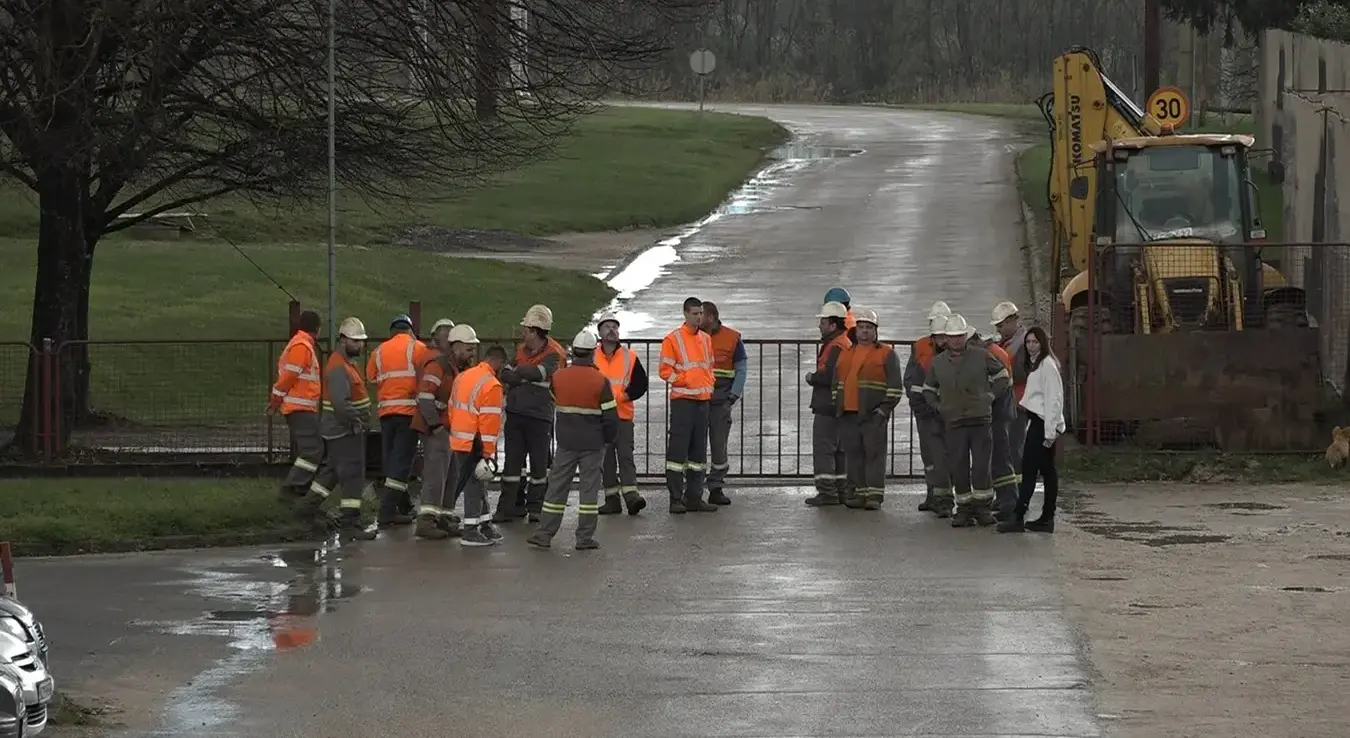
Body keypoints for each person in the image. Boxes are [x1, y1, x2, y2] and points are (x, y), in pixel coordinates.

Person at [527, 330, 619, 550]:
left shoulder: (558, 377)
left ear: (573, 352)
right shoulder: (601, 381)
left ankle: (545, 533)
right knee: (588, 492)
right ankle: (584, 537)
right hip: (593, 444)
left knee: (556, 489)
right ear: (592, 353)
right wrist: (607, 439)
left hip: (566, 442)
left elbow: (554, 397)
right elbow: (611, 418)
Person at [922, 314, 1010, 527]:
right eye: (952, 337)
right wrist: (938, 407)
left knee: (981, 467)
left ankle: (983, 509)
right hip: (954, 422)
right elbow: (928, 389)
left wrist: (990, 396)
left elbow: (1003, 376)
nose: (956, 341)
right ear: (946, 338)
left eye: (959, 336)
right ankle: (963, 509)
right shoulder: (937, 364)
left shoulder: (981, 356)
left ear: (965, 336)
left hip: (980, 420)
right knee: (958, 467)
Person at [496, 304, 568, 524]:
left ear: (535, 331)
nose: (522, 333)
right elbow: (505, 374)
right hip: (517, 414)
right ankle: (510, 507)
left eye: (526, 330)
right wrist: (524, 375)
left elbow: (539, 373)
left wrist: (520, 373)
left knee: (539, 466)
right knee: (512, 465)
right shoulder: (521, 351)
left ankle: (536, 507)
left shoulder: (554, 353)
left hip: (539, 416)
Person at [307, 317, 377, 540]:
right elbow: (340, 403)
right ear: (343, 340)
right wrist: (357, 421)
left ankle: (306, 508)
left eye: (361, 341)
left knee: (333, 472)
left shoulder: (345, 364)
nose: (360, 345)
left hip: (341, 429)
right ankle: (350, 524)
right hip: (345, 430)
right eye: (355, 341)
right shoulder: (339, 367)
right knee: (352, 476)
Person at [833, 309, 904, 510]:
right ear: (856, 331)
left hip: (873, 414)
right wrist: (837, 407)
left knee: (874, 455)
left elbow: (895, 387)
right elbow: (836, 383)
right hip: (848, 413)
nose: (864, 332)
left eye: (868, 328)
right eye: (861, 328)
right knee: (854, 455)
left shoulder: (887, 354)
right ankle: (858, 494)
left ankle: (874, 496)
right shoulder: (846, 353)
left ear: (875, 331)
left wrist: (883, 411)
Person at [366, 313, 432, 527]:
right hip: (409, 412)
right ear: (410, 330)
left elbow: (371, 377)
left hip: (386, 413)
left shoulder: (378, 352)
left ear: (392, 332)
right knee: (402, 463)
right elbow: (427, 377)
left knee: (392, 460)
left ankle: (404, 506)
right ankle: (386, 512)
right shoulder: (418, 348)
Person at [999, 326, 1065, 534]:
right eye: (1028, 342)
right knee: (1047, 471)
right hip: (1039, 421)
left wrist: (1049, 433)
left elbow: (1053, 400)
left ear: (1043, 343)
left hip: (1043, 424)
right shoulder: (1038, 364)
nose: (1030, 346)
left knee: (1029, 470)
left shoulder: (1047, 366)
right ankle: (1047, 518)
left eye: (1035, 342)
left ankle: (1019, 516)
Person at [447, 328, 507, 547]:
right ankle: (471, 530)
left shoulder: (464, 376)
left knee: (477, 484)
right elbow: (489, 424)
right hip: (476, 441)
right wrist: (489, 454)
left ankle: (484, 524)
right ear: (498, 363)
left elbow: (452, 408)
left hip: (459, 439)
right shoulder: (491, 385)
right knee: (474, 484)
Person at [660, 297, 718, 514]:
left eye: (700, 313)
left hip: (702, 401)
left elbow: (709, 366)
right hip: (683, 401)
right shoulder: (673, 339)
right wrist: (686, 380)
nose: (699, 317)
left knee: (698, 454)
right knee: (677, 451)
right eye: (695, 313)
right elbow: (665, 370)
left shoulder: (705, 338)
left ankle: (694, 496)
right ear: (685, 314)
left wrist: (708, 385)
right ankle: (675, 497)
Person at [594, 313, 650, 516]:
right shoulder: (592, 357)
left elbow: (641, 383)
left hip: (623, 416)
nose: (612, 330)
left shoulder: (629, 356)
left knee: (626, 457)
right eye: (607, 326)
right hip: (600, 417)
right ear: (599, 332)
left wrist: (625, 396)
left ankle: (631, 497)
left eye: (615, 327)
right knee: (606, 460)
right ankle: (612, 500)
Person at [410, 318, 461, 540]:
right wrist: (436, 425)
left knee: (448, 474)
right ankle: (427, 521)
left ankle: (443, 517)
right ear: (436, 338)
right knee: (436, 475)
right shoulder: (436, 362)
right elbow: (426, 397)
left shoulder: (446, 362)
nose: (450, 339)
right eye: (446, 335)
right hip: (437, 427)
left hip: (445, 427)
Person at [270, 310, 324, 507]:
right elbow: (288, 377)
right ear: (317, 329)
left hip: (299, 407)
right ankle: (292, 489)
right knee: (313, 450)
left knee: (313, 449)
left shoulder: (300, 344)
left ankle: (298, 489)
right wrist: (276, 399)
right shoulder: (302, 346)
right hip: (300, 407)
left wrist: (277, 399)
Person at [966, 328, 1019, 522]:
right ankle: (1005, 499)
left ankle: (1009, 503)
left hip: (998, 413)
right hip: (1000, 412)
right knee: (999, 458)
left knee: (1000, 459)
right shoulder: (994, 351)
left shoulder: (991, 354)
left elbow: (998, 384)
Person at [904, 302, 951, 516]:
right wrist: (919, 406)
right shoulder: (920, 346)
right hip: (925, 412)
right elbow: (911, 380)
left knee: (943, 458)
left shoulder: (958, 349)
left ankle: (944, 500)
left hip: (946, 413)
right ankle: (933, 495)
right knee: (929, 457)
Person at [805, 301, 853, 506]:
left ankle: (827, 491)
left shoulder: (836, 346)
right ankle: (841, 490)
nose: (820, 326)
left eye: (823, 322)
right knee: (840, 450)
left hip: (828, 405)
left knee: (824, 449)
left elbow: (829, 375)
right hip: (840, 405)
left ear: (833, 325)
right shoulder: (844, 343)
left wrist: (812, 377)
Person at [700, 301, 747, 506]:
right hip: (697, 401)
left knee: (719, 447)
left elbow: (741, 369)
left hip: (720, 402)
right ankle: (693, 489)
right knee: (695, 449)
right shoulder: (693, 336)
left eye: (701, 315)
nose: (697, 319)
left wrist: (733, 397)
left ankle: (716, 487)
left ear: (711, 317)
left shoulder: (732, 339)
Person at [992, 301, 1029, 488]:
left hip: (1018, 403)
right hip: (1009, 402)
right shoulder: (1006, 343)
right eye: (997, 326)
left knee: (1014, 448)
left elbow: (1023, 372)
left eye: (1001, 325)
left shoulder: (1024, 343)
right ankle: (1010, 490)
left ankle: (1018, 490)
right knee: (1007, 448)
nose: (999, 329)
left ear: (1013, 320)